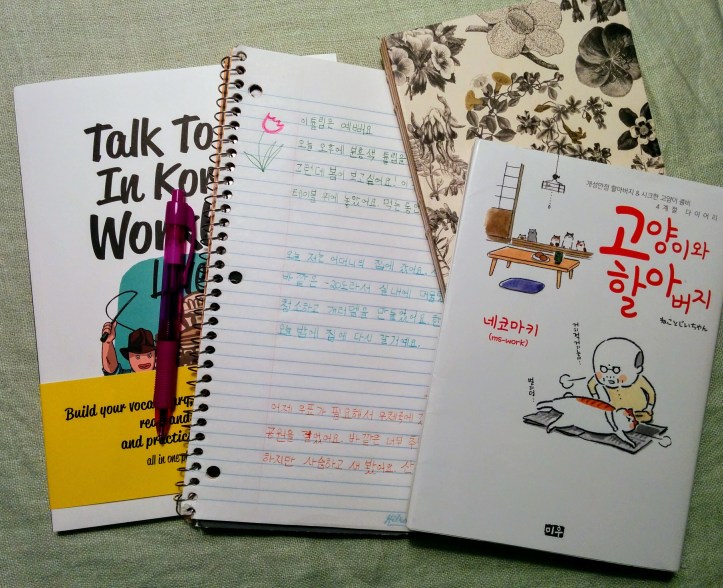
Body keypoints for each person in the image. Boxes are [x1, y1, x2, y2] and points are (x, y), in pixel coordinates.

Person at [587, 337, 656, 423]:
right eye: (603, 369)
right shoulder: (598, 378)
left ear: (638, 369)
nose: (610, 376)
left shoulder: (639, 380)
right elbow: (591, 384)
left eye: (616, 370)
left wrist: (649, 409)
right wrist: (596, 399)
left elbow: (651, 392)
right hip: (616, 414)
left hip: (638, 412)